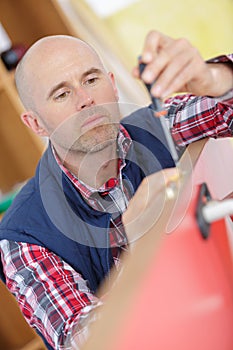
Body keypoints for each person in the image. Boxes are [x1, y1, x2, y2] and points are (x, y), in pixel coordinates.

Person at [0, 30, 232, 350]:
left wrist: (216, 77)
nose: (86, 100)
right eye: (62, 94)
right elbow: (85, 342)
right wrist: (145, 242)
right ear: (36, 123)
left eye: (91, 79)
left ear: (111, 82)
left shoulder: (165, 124)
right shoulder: (21, 237)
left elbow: (226, 106)